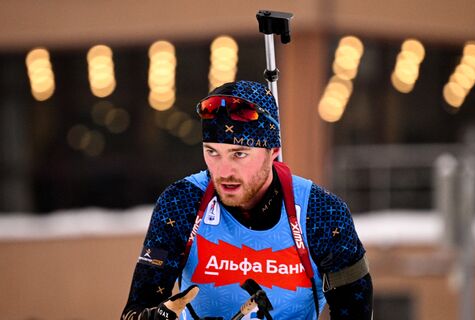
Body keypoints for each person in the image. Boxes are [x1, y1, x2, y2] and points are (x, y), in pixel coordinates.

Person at [121, 80, 373, 320]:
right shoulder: (182, 202)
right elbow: (136, 308)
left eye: (239, 154)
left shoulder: (321, 212)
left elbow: (355, 310)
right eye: (212, 152)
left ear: (273, 151)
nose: (223, 171)